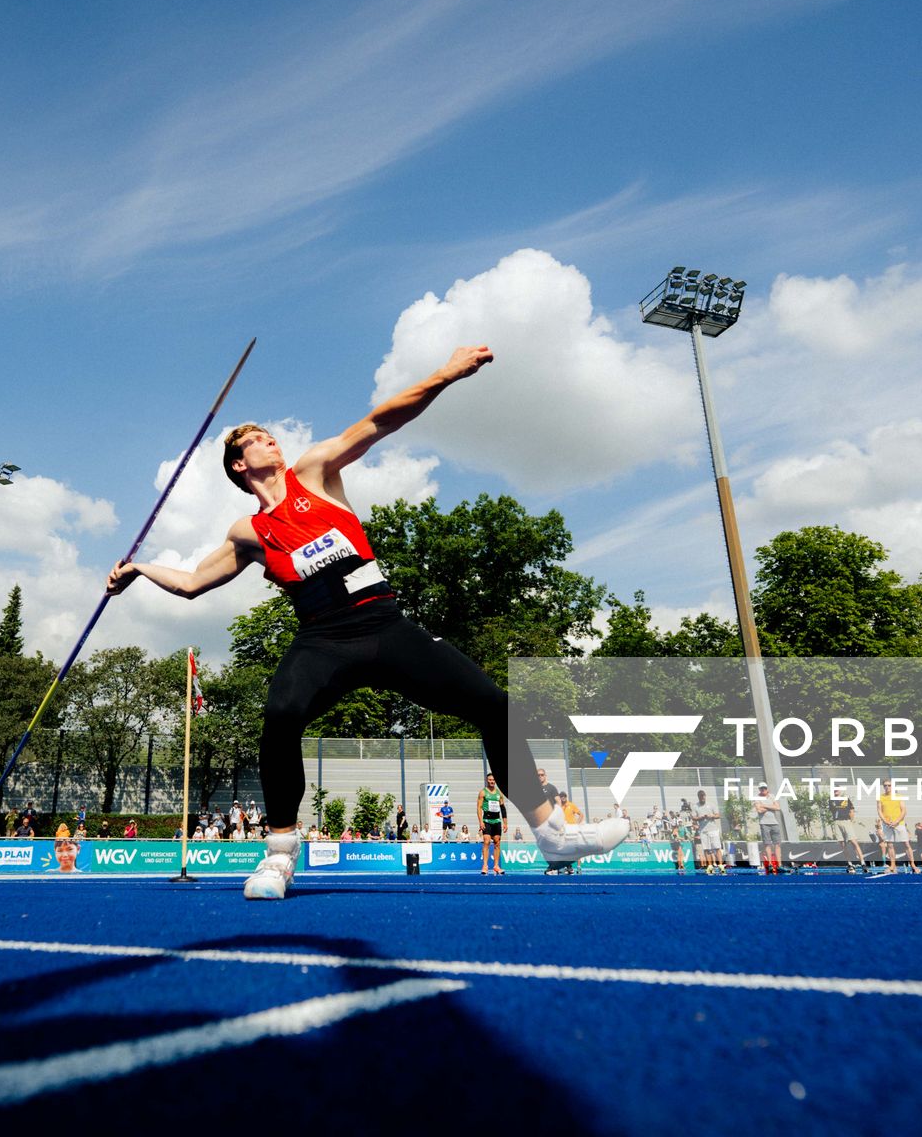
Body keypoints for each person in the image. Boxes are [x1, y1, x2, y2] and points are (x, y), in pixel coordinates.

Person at [105, 347, 627, 899]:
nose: (270, 440)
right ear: (239, 465)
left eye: (269, 434)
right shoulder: (249, 533)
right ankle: (279, 856)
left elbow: (380, 420)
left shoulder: (315, 472)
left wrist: (445, 375)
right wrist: (138, 568)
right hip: (323, 640)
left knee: (495, 706)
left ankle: (552, 833)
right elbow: (190, 583)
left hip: (385, 626)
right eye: (256, 439)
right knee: (281, 714)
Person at [476, 772, 507, 874]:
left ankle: (496, 866)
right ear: (487, 780)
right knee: (486, 841)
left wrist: (505, 823)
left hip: (497, 821)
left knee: (497, 842)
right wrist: (481, 822)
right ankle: (485, 866)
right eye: (490, 780)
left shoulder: (499, 794)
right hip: (487, 820)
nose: (492, 781)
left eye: (493, 780)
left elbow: (503, 809)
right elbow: (479, 808)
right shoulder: (483, 793)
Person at [877, 784, 911, 874]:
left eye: (889, 785)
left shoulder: (899, 797)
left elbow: (904, 810)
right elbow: (879, 810)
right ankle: (893, 866)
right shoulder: (881, 797)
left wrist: (897, 821)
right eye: (885, 785)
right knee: (890, 845)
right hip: (887, 824)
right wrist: (885, 821)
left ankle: (913, 865)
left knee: (906, 844)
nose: (887, 787)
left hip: (899, 823)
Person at [753, 783, 784, 872]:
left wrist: (765, 806)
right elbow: (759, 810)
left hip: (774, 823)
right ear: (759, 789)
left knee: (777, 844)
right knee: (767, 844)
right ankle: (770, 864)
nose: (763, 790)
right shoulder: (757, 798)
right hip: (764, 823)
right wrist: (771, 807)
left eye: (764, 788)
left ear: (767, 789)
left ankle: (779, 865)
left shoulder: (772, 796)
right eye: (761, 788)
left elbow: (777, 807)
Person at [694, 789, 722, 874]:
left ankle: (721, 867)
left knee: (717, 848)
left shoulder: (711, 804)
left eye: (703, 796)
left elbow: (718, 815)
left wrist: (711, 816)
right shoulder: (695, 806)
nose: (702, 797)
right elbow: (694, 818)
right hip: (703, 831)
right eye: (701, 796)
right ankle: (710, 868)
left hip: (713, 829)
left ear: (705, 796)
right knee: (707, 850)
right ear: (698, 797)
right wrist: (701, 818)